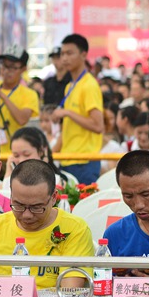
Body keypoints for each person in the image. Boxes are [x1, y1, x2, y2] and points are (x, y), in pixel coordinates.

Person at [0, 158, 94, 290]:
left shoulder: (74, 229)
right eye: (19, 205)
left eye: (36, 207)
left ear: (53, 197)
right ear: (11, 196)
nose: (27, 215)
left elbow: (69, 293)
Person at [52, 34, 104, 185]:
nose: (64, 58)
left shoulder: (89, 85)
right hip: (67, 159)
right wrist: (52, 153)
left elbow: (98, 126)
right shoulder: (70, 86)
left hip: (84, 162)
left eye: (70, 53)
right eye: (62, 54)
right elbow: (68, 128)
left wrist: (68, 112)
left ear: (83, 55)